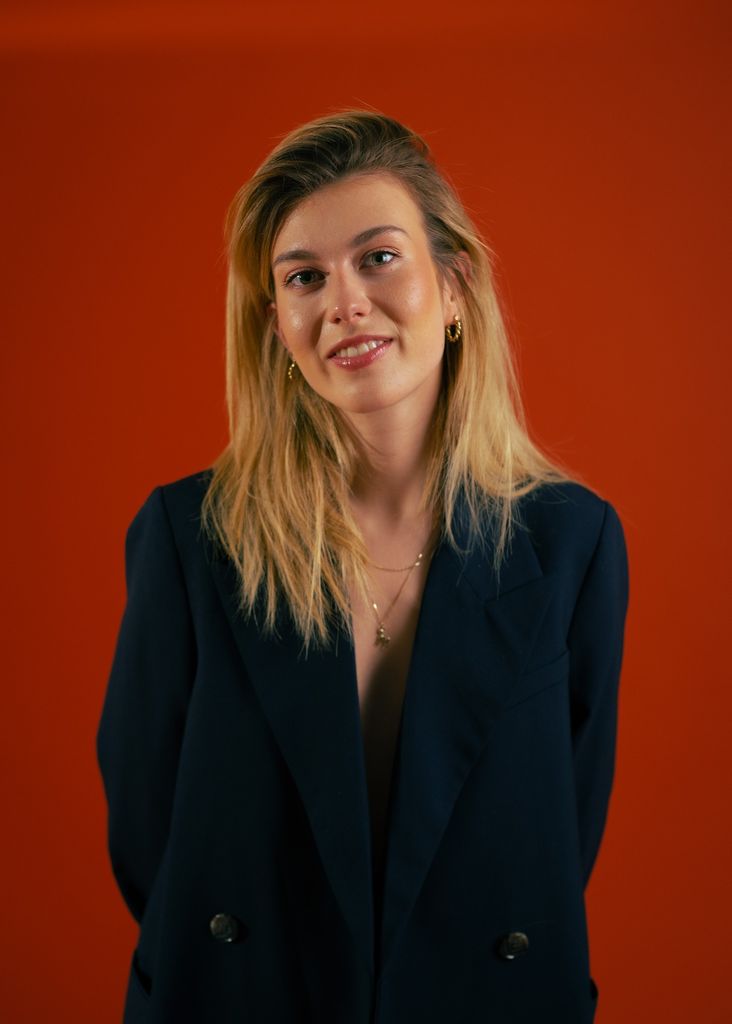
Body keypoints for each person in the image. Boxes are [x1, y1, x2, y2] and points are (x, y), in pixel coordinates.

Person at [97, 110, 629, 1024]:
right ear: (278, 327)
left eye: (378, 257)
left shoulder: (570, 541)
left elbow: (555, 844)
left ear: (454, 288)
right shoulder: (193, 538)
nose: (343, 302)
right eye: (304, 277)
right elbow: (149, 834)